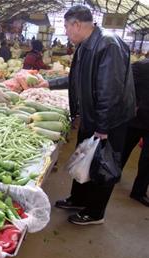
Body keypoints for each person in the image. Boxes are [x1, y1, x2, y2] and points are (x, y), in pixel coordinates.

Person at [39, 5, 136, 225]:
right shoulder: (85, 45)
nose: (65, 32)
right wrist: (49, 84)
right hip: (92, 115)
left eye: (66, 27)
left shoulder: (108, 44)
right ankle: (78, 199)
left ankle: (95, 212)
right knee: (84, 157)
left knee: (102, 164)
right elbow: (77, 79)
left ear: (77, 24)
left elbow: (109, 91)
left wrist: (102, 128)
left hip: (109, 119)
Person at [121, 59, 149, 207]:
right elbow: (125, 83)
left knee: (147, 160)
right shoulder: (142, 66)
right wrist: (134, 103)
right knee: (123, 149)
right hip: (136, 119)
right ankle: (112, 175)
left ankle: (139, 192)